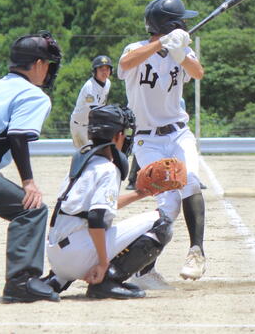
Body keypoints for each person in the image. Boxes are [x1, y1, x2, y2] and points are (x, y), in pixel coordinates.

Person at [117, 0, 207, 288]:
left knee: (189, 180)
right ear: (169, 25)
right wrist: (162, 43)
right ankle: (144, 270)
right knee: (168, 201)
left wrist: (179, 52)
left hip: (179, 132)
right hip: (148, 140)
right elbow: (125, 64)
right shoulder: (135, 49)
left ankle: (196, 252)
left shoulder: (182, 49)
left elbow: (198, 73)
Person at [43, 104, 173, 299]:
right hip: (78, 256)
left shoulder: (84, 163)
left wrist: (141, 193)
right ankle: (107, 281)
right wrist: (103, 263)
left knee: (83, 226)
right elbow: (96, 218)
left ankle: (57, 280)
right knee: (161, 223)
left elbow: (93, 207)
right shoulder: (108, 169)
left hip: (57, 258)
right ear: (117, 136)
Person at [0, 31, 63, 303]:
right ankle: (21, 282)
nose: (49, 70)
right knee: (32, 209)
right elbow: (17, 136)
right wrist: (28, 182)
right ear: (38, 64)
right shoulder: (33, 95)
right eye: (48, 64)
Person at [69, 55, 113, 148]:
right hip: (79, 126)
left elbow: (102, 105)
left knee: (96, 152)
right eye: (101, 69)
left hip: (91, 125)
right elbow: (95, 111)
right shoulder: (90, 86)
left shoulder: (108, 83)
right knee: (85, 153)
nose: (104, 72)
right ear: (95, 71)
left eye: (107, 69)